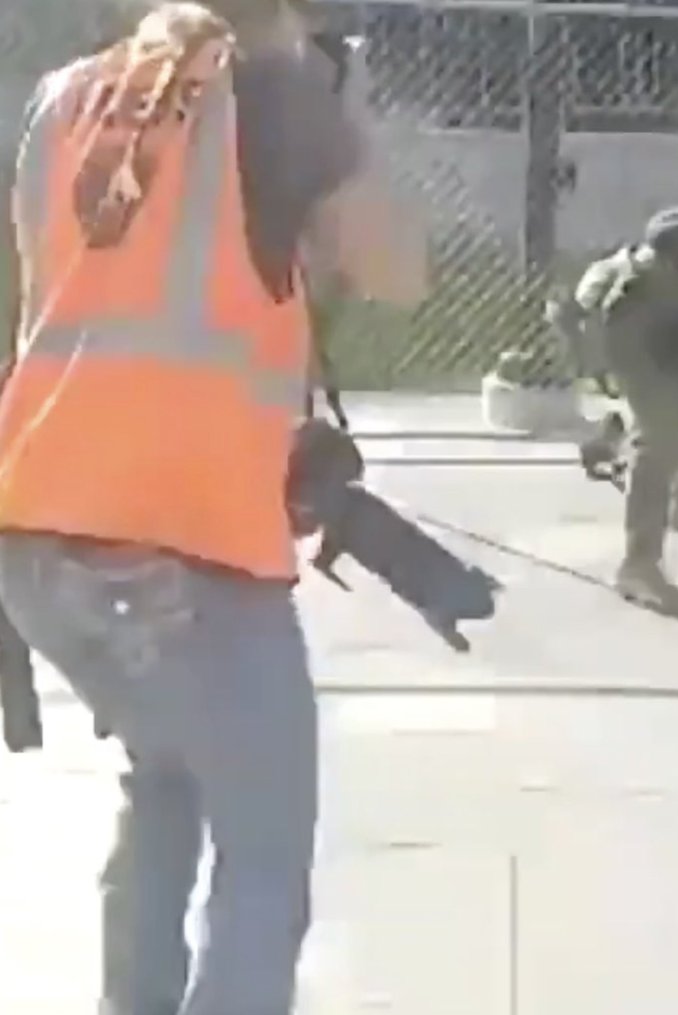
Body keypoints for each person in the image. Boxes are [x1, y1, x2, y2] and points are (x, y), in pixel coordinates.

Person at [0, 4, 427, 1015]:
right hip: (185, 549)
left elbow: (47, 315)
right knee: (264, 862)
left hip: (36, 538)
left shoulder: (67, 98)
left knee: (168, 779)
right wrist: (343, 111)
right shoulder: (277, 90)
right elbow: (399, 270)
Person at [573, 204, 678, 611]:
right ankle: (638, 567)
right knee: (658, 443)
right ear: (676, 261)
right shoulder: (629, 296)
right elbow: (617, 353)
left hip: (665, 334)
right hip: (623, 344)